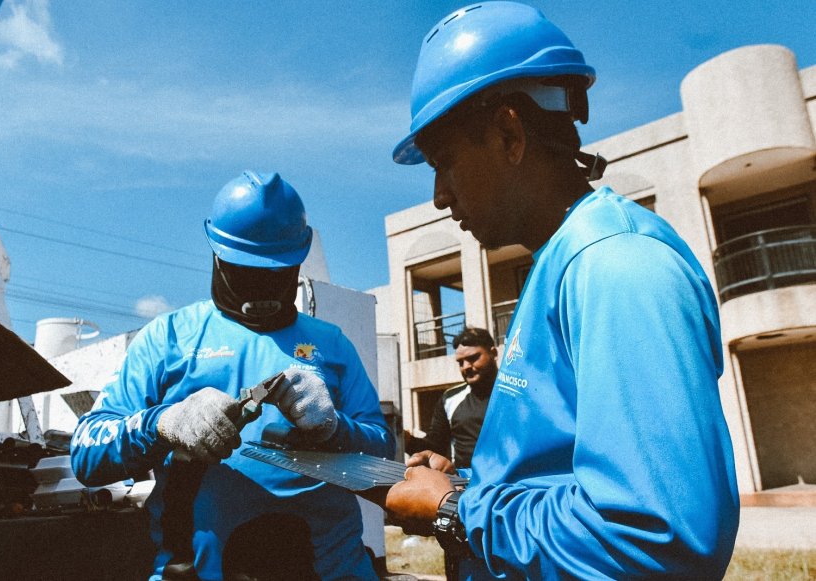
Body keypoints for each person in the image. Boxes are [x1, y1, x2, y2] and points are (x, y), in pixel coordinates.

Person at [384, 3, 740, 579]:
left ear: (509, 133)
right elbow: (562, 474)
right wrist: (465, 483)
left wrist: (452, 510)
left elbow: (659, 537)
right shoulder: (560, 263)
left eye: (444, 163)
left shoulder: (617, 267)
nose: (439, 197)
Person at [71, 170, 394, 581]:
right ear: (217, 255)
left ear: (297, 261)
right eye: (246, 272)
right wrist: (164, 423)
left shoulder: (331, 344)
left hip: (330, 570)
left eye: (275, 274)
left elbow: (382, 455)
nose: (261, 288)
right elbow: (85, 454)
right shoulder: (167, 338)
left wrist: (333, 428)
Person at [405, 327, 498, 470]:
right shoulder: (450, 399)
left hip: (518, 485)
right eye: (460, 362)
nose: (466, 366)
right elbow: (436, 447)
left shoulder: (518, 392)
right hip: (469, 486)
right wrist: (407, 441)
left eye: (473, 358)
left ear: (493, 353)